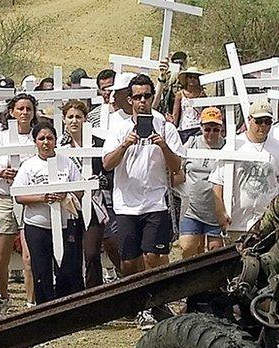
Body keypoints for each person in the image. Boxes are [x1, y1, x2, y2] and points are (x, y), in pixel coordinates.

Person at [102, 73, 185, 328]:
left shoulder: (165, 127)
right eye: (136, 97)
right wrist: (125, 144)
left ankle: (151, 305)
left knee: (152, 256)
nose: (142, 101)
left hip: (154, 201)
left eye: (146, 96)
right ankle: (136, 301)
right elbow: (107, 164)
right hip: (126, 203)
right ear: (129, 100)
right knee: (129, 261)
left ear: (152, 97)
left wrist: (163, 146)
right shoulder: (119, 128)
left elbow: (176, 167)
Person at [13, 122, 85, 304]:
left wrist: (65, 193)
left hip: (64, 223)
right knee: (41, 270)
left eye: (50, 138)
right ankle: (44, 308)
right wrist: (43, 197)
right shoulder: (29, 165)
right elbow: (19, 195)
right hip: (38, 225)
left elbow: (80, 189)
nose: (46, 142)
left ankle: (65, 307)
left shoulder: (66, 163)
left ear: (55, 141)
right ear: (35, 142)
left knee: (66, 269)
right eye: (41, 138)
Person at [211, 99, 279, 237]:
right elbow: (217, 184)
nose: (263, 126)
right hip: (236, 223)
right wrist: (220, 212)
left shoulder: (278, 149)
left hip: (267, 226)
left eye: (267, 121)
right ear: (249, 119)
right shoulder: (234, 146)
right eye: (259, 121)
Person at [59, 99, 120, 287]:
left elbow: (111, 172)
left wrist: (98, 180)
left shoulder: (99, 144)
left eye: (79, 117)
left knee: (92, 252)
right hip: (70, 205)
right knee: (72, 252)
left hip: (95, 203)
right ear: (64, 120)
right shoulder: (60, 147)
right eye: (70, 117)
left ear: (86, 120)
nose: (74, 121)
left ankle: (95, 291)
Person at [0, 93, 39, 316]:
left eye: (29, 109)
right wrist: (0, 172)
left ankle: (31, 303)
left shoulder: (37, 138)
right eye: (20, 109)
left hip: (29, 200)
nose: (24, 113)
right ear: (11, 112)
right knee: (1, 258)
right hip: (4, 198)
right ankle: (4, 296)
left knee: (29, 257)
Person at [172, 107, 226, 258]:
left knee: (215, 253)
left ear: (221, 128)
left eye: (215, 129)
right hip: (192, 208)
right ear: (201, 127)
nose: (211, 133)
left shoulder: (227, 147)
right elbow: (177, 166)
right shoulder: (191, 143)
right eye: (207, 129)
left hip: (215, 211)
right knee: (187, 248)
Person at [170, 67, 205, 142]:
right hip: (184, 128)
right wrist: (173, 127)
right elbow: (175, 113)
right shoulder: (180, 94)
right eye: (190, 77)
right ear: (186, 79)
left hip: (198, 128)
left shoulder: (202, 94)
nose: (192, 79)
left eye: (195, 77)